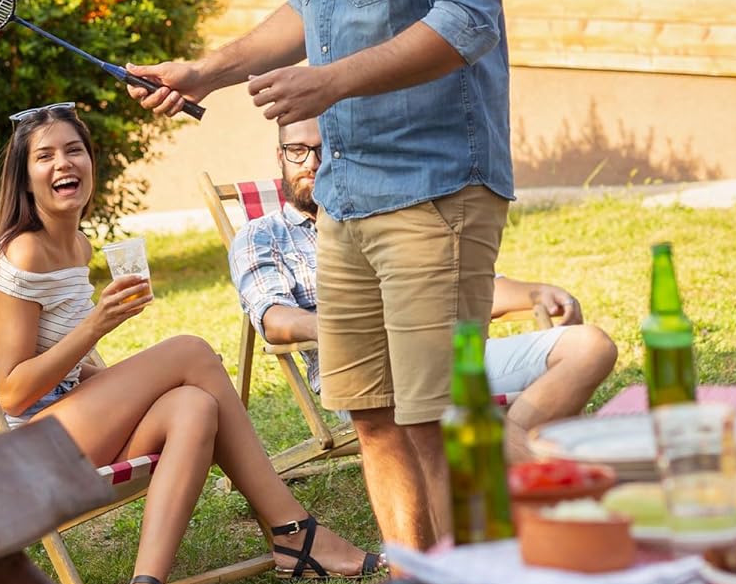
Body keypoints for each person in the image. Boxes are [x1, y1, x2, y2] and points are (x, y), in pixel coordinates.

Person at [130, 0, 513, 552]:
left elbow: (467, 20)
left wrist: (331, 82)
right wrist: (206, 70)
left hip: (435, 186)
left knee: (437, 419)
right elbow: (312, 7)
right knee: (372, 413)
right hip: (345, 192)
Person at [0, 102, 379, 584]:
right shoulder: (23, 251)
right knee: (189, 351)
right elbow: (14, 392)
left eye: (74, 150)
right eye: (45, 156)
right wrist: (97, 325)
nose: (63, 163)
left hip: (56, 430)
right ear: (24, 176)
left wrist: (112, 377)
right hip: (7, 453)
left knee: (194, 405)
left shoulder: (75, 244)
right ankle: (294, 534)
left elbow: (70, 369)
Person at [229, 119, 617, 459]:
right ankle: (531, 468)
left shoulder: (383, 217)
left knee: (589, 347)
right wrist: (344, 328)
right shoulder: (261, 236)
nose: (311, 163)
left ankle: (495, 464)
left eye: (322, 149)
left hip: (444, 354)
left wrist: (536, 293)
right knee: (427, 402)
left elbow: (458, 287)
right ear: (279, 155)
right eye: (297, 150)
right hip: (371, 374)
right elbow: (273, 317)